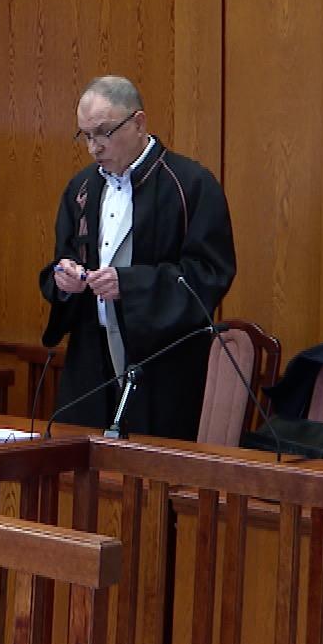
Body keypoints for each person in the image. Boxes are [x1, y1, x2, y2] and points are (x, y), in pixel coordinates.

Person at [38, 75, 237, 439]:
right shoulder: (81, 188)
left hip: (162, 367)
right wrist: (64, 280)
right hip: (90, 363)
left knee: (153, 470)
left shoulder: (191, 184)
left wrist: (129, 285)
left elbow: (210, 274)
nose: (94, 147)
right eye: (85, 135)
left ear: (139, 122)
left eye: (103, 133)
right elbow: (62, 259)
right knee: (77, 465)